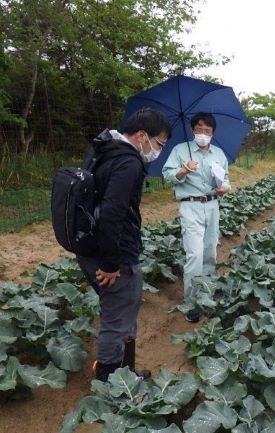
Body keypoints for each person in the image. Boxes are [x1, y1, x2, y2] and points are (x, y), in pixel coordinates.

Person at [76, 108, 172, 382]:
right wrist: (110, 264)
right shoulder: (128, 163)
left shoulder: (102, 149)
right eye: (160, 143)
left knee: (123, 312)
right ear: (142, 136)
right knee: (117, 319)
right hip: (114, 255)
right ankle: (110, 382)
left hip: (89, 248)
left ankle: (126, 373)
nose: (159, 150)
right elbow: (112, 213)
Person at [162, 113, 231, 323]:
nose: (203, 134)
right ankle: (191, 303)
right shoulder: (180, 150)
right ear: (193, 130)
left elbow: (226, 178)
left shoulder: (218, 154)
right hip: (190, 205)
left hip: (212, 205)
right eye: (199, 129)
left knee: (210, 251)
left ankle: (207, 294)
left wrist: (224, 188)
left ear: (213, 133)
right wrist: (183, 170)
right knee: (194, 254)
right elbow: (167, 175)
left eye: (207, 131)